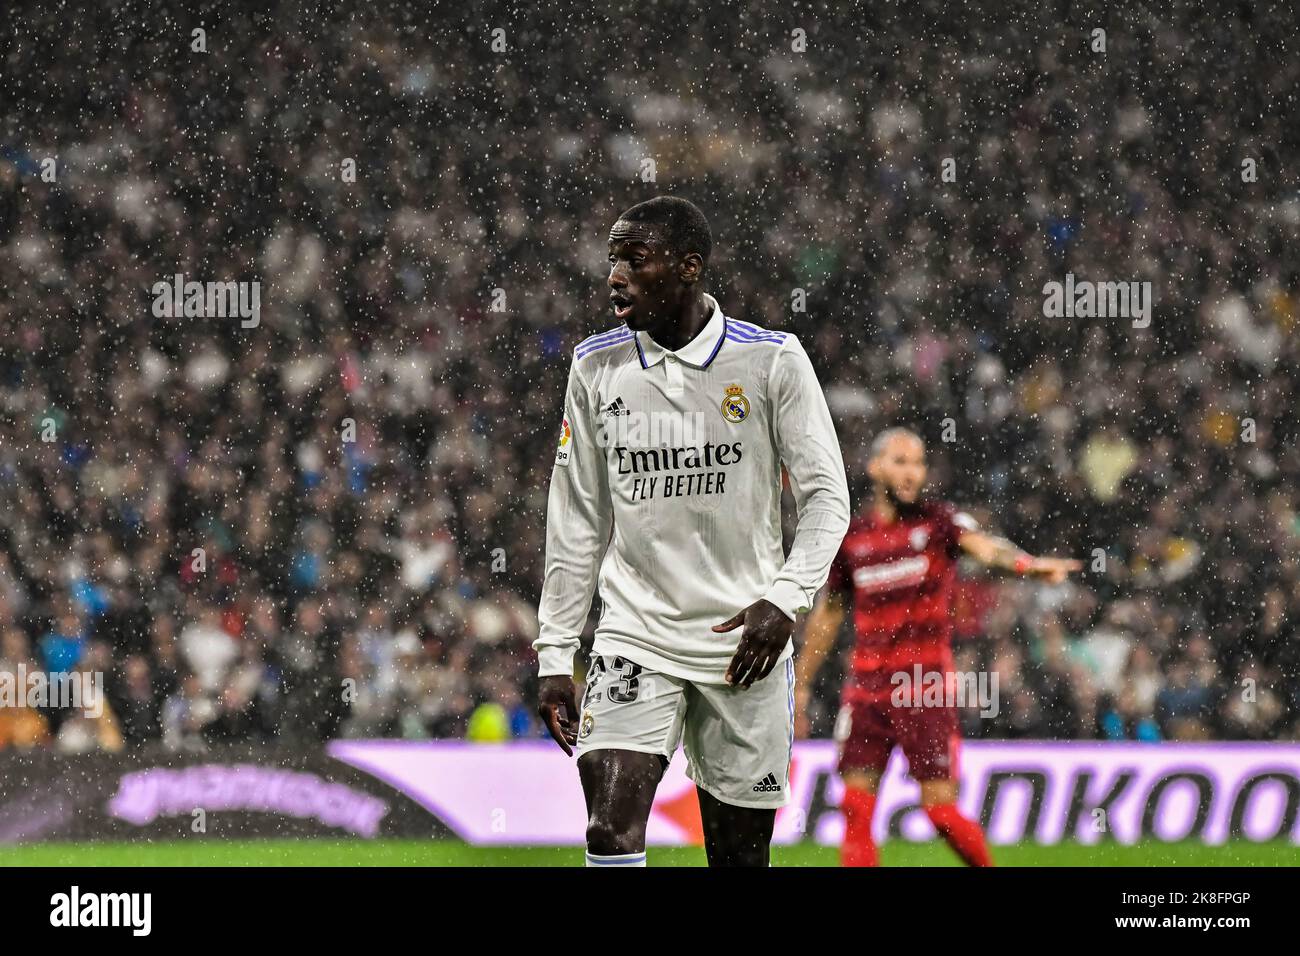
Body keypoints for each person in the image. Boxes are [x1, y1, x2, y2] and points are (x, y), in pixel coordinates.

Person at [534, 195, 850, 866]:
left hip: (745, 642)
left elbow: (829, 500)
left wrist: (787, 600)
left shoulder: (772, 361)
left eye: (635, 260)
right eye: (613, 259)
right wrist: (555, 653)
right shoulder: (595, 366)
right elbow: (577, 518)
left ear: (688, 268)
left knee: (738, 858)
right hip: (635, 634)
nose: (615, 275)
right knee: (608, 831)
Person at [795, 427, 1080, 866]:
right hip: (866, 691)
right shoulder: (852, 539)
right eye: (901, 461)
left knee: (941, 812)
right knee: (855, 809)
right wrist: (801, 684)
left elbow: (986, 548)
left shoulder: (937, 522)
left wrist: (1028, 564)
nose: (912, 472)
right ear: (874, 467)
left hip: (923, 687)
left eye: (918, 463)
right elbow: (828, 616)